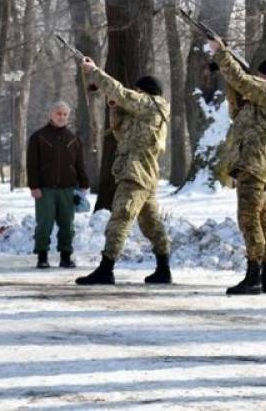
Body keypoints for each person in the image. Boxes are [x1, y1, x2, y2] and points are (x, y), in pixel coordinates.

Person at [208, 38, 266, 295]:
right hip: (257, 163)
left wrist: (222, 53)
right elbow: (239, 112)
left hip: (254, 163)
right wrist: (229, 75)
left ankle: (254, 274)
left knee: (248, 219)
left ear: (265, 77)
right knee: (262, 218)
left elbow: (244, 82)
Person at [75, 58, 172, 286]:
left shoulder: (151, 104)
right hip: (142, 175)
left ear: (145, 93)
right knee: (151, 224)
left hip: (135, 174)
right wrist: (114, 107)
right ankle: (163, 269)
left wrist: (94, 71)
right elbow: (121, 133)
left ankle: (106, 269)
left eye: (138, 92)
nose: (135, 95)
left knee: (119, 218)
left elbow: (121, 93)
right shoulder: (146, 115)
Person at [26, 100, 90, 269]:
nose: (61, 117)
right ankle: (42, 257)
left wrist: (84, 183)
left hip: (68, 189)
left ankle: (66, 257)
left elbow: (80, 164)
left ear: (68, 116)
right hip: (45, 189)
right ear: (51, 115)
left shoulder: (73, 138)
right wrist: (34, 186)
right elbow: (31, 164)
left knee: (67, 226)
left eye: (64, 114)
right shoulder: (38, 137)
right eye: (58, 113)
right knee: (44, 224)